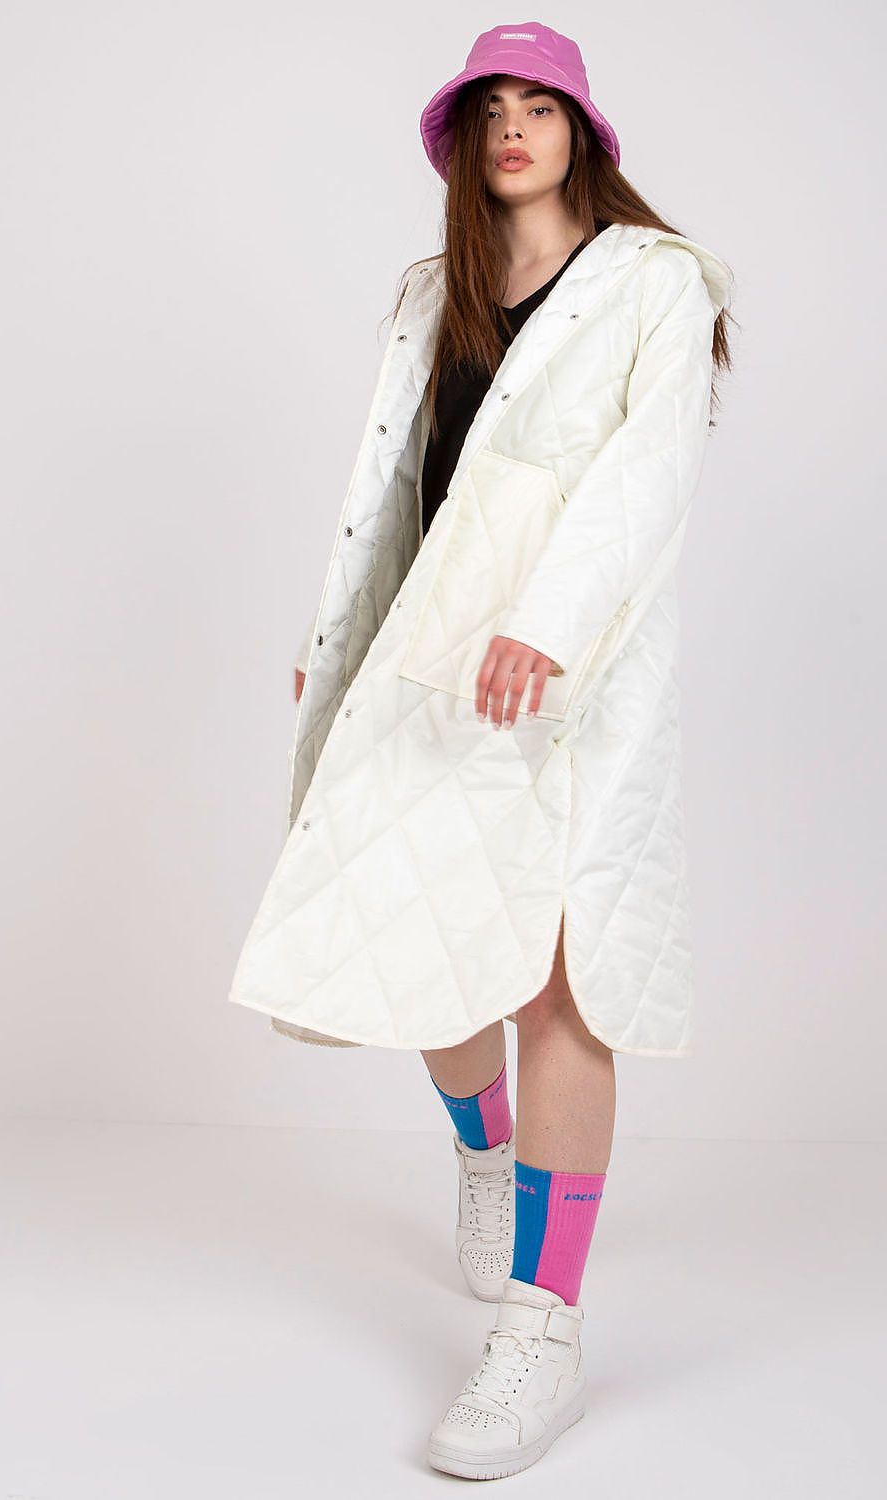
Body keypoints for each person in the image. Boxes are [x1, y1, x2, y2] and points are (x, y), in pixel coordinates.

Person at [231, 20, 736, 1480]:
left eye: (541, 106)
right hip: (426, 666)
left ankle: (543, 1329)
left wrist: (554, 628)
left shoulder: (655, 280)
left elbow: (647, 478)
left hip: (576, 676)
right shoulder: (429, 291)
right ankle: (484, 1148)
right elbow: (397, 486)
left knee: (564, 977)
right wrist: (343, 640)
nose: (515, 128)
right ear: (462, 138)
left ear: (583, 131)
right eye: (491, 108)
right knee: (425, 941)